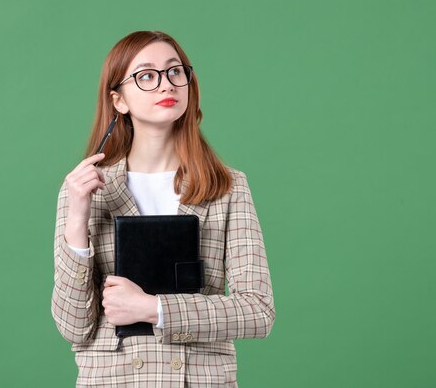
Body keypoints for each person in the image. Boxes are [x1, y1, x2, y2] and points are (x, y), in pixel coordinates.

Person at [51, 30, 275, 388]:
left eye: (175, 72)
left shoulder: (227, 186)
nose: (166, 85)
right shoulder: (83, 189)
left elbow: (258, 311)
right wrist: (77, 220)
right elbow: (74, 327)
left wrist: (153, 309)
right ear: (118, 100)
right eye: (146, 75)